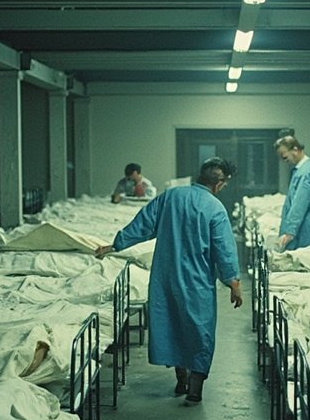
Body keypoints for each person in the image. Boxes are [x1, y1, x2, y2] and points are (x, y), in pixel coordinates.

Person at [95, 157, 242, 405]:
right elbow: (223, 249)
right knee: (199, 330)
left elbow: (143, 224)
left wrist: (116, 244)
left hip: (166, 277)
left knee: (172, 325)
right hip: (196, 282)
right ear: (218, 184)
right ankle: (195, 389)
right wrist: (233, 283)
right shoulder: (215, 208)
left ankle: (181, 379)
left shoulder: (170, 197)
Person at [275, 135, 310, 250]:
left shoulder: (306, 173)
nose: (285, 161)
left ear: (295, 150)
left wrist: (289, 232)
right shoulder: (302, 170)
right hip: (306, 228)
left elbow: (299, 205)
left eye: (285, 157)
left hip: (308, 231)